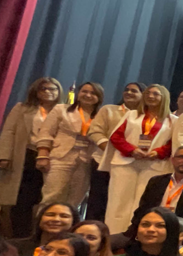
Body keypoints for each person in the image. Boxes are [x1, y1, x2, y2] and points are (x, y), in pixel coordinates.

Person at [102, 84, 175, 234]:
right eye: (148, 93)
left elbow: (174, 143)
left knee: (143, 203)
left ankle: (134, 235)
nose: (150, 96)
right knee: (118, 201)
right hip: (126, 163)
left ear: (164, 98)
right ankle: (113, 236)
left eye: (156, 94)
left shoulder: (173, 120)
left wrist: (158, 152)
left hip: (154, 165)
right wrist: (131, 150)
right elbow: (116, 137)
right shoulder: (132, 115)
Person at [0, 78, 62, 238]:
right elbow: (8, 132)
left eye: (53, 89)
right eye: (44, 89)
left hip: (52, 158)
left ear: (59, 92)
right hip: (25, 155)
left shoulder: (64, 111)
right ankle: (19, 237)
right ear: (36, 91)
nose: (48, 92)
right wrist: (4, 155)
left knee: (43, 198)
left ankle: (39, 237)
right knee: (21, 200)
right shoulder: (22, 108)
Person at [124, 146, 183, 249]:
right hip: (149, 229)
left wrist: (164, 227)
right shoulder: (156, 181)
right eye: (181, 157)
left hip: (180, 234)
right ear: (172, 160)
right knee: (112, 241)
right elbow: (142, 209)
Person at [35, 81, 103, 209]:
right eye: (84, 91)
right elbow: (46, 133)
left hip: (85, 161)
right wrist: (42, 156)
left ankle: (67, 229)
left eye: (93, 93)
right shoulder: (61, 109)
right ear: (78, 93)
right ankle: (41, 228)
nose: (88, 95)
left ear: (99, 97)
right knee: (51, 197)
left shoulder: (101, 116)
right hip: (60, 158)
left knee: (75, 201)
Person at [85, 82, 144, 222]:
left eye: (134, 91)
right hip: (103, 161)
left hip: (130, 165)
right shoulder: (109, 110)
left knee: (119, 203)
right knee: (98, 201)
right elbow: (94, 132)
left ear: (143, 96)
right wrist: (111, 150)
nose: (129, 93)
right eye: (126, 90)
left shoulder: (146, 117)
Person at [6, 200, 77, 256]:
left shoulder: (77, 252)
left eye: (64, 216)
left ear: (73, 222)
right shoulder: (12, 247)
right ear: (40, 219)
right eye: (50, 215)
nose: (56, 219)